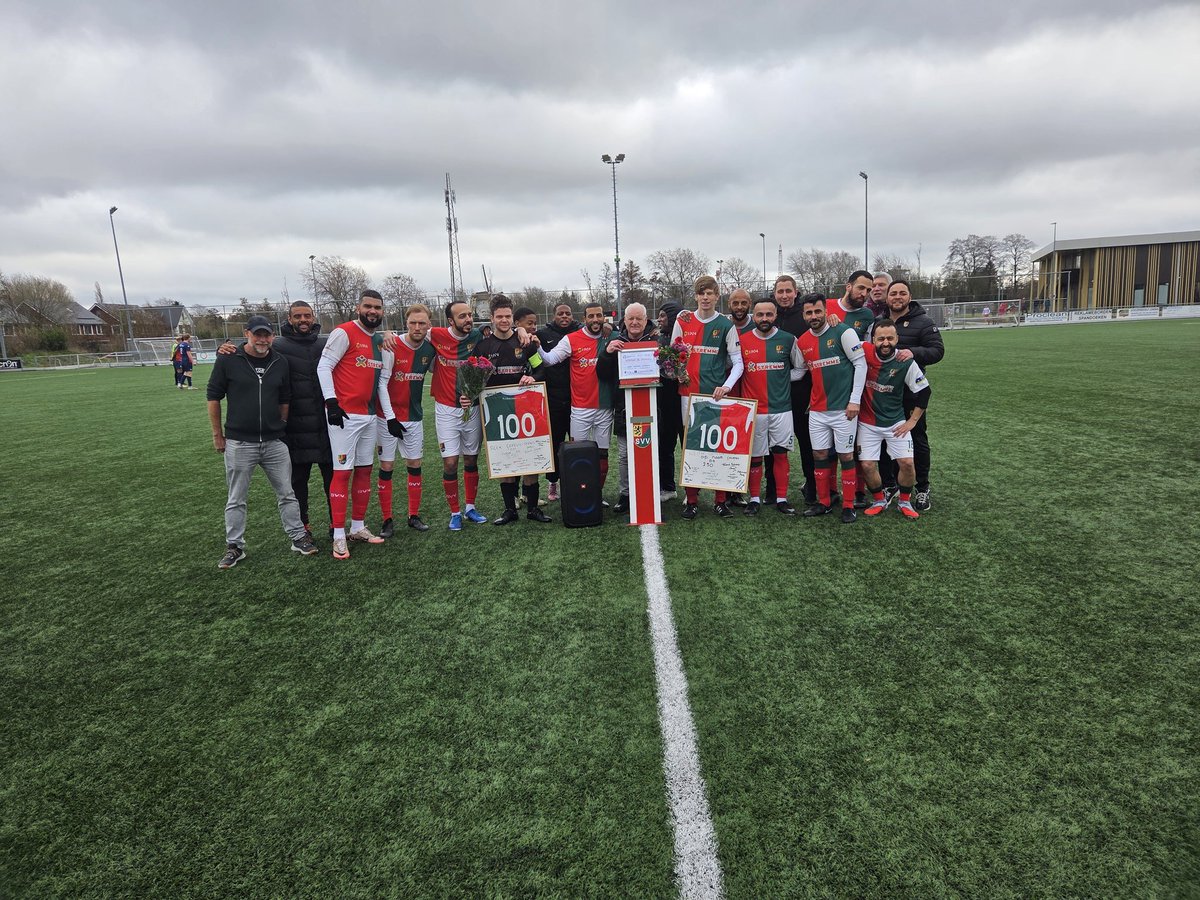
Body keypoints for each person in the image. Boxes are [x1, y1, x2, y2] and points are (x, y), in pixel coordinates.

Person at [206, 316, 317, 568]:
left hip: (273, 442)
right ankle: (235, 546)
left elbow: (285, 398)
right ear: (247, 334)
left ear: (273, 336)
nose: (262, 340)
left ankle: (298, 537)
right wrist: (217, 435)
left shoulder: (279, 361)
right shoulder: (228, 358)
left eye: (267, 335)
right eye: (258, 334)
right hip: (239, 442)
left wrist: (281, 425)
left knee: (287, 493)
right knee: (236, 498)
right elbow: (213, 397)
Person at [217, 301, 334, 538]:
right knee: (296, 484)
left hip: (327, 427)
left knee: (333, 480)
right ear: (289, 319)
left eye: (307, 316)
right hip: (294, 429)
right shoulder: (278, 345)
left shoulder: (326, 344)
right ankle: (304, 527)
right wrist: (229, 348)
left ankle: (337, 525)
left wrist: (384, 337)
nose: (303, 320)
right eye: (297, 316)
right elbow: (253, 350)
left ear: (313, 318)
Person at [317, 290, 405, 559]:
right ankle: (338, 535)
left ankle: (357, 527)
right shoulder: (344, 332)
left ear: (383, 311)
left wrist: (390, 416)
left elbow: (382, 384)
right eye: (368, 306)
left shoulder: (383, 343)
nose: (373, 311)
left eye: (377, 307)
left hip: (369, 417)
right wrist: (331, 402)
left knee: (365, 470)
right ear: (358, 308)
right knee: (342, 473)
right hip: (343, 416)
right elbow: (323, 367)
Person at [468, 295, 551, 525]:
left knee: (531, 457)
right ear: (491, 318)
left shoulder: (524, 342)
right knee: (504, 458)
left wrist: (532, 377)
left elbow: (541, 369)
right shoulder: (483, 346)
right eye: (499, 317)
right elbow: (473, 379)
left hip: (526, 408)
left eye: (507, 316)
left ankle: (533, 509)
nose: (503, 320)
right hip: (497, 410)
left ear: (512, 318)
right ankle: (509, 510)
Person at [671, 275, 744, 519]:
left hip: (714, 398)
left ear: (716, 296)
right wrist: (677, 372)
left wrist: (726, 386)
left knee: (717, 447)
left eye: (709, 293)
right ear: (695, 296)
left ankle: (720, 501)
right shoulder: (683, 320)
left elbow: (738, 363)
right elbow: (672, 355)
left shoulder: (725, 325)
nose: (705, 297)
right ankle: (691, 501)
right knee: (691, 448)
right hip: (687, 395)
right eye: (701, 293)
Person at [795, 295, 867, 523]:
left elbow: (860, 364)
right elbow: (799, 371)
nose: (814, 316)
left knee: (846, 455)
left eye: (818, 311)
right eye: (809, 312)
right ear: (803, 315)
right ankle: (824, 502)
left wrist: (854, 400)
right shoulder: (802, 341)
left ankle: (848, 505)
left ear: (826, 311)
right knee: (819, 455)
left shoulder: (843, 332)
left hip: (844, 409)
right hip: (817, 411)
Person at [535, 302, 616, 500]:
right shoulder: (571, 339)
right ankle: (578, 496)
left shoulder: (612, 336)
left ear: (604, 318)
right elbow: (549, 360)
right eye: (591, 316)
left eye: (599, 316)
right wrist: (537, 347)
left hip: (605, 407)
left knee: (602, 454)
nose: (595, 320)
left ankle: (596, 495)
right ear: (584, 319)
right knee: (578, 454)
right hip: (580, 408)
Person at [877, 279, 944, 510]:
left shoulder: (923, 322)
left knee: (917, 439)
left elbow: (937, 351)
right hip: (885, 394)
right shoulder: (879, 321)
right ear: (887, 297)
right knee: (886, 440)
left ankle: (922, 488)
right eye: (893, 293)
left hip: (911, 394)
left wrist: (912, 352)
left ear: (909, 296)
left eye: (902, 293)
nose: (897, 297)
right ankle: (891, 485)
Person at [738, 299, 806, 516]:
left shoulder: (788, 339)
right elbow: (734, 369)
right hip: (754, 410)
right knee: (755, 457)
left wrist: (782, 379)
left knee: (780, 454)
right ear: (754, 316)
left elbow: (801, 368)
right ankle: (754, 499)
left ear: (775, 315)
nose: (764, 318)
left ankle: (781, 499)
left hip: (781, 409)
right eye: (760, 315)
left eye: (769, 314)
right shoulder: (742, 340)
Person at [859, 320, 930, 520]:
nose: (886, 343)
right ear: (873, 339)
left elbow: (924, 391)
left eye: (890, 338)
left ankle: (904, 502)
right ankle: (879, 500)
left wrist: (912, 421)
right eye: (881, 338)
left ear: (897, 339)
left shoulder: (905, 361)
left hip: (896, 422)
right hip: (868, 423)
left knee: (907, 463)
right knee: (867, 466)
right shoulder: (863, 351)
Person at [376, 304, 437, 536]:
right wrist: (390, 418)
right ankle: (387, 519)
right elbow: (382, 384)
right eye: (413, 323)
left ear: (429, 325)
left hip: (414, 417)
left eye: (422, 323)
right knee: (387, 466)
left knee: (415, 464)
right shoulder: (392, 345)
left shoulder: (430, 349)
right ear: (406, 323)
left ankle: (413, 515)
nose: (417, 327)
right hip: (387, 418)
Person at [428, 299, 489, 531]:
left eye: (470, 315)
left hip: (471, 409)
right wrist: (388, 335)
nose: (468, 319)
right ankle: (455, 513)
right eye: (462, 316)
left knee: (471, 459)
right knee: (451, 462)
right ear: (450, 321)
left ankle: (470, 507)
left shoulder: (478, 336)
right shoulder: (436, 335)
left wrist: (521, 330)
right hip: (446, 409)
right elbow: (413, 334)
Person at [596, 301, 658, 513]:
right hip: (624, 408)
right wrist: (607, 353)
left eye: (638, 318)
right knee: (624, 455)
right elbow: (602, 374)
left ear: (646, 320)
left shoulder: (656, 342)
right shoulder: (616, 343)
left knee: (650, 451)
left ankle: (650, 491)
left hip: (651, 408)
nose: (634, 322)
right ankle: (625, 494)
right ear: (624, 320)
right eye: (630, 318)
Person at [766, 276, 817, 507]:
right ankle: (771, 489)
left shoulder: (805, 316)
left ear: (796, 292)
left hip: (801, 391)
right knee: (770, 443)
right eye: (780, 291)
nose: (784, 295)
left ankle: (812, 486)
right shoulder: (768, 315)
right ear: (774, 293)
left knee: (806, 440)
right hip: (772, 393)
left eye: (788, 291)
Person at [536, 302, 582, 503]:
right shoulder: (543, 334)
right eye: (560, 313)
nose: (564, 316)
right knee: (554, 442)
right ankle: (552, 481)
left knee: (576, 442)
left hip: (576, 398)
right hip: (552, 397)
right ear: (554, 316)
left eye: (568, 313)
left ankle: (575, 481)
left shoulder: (580, 331)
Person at [656, 301, 685, 501]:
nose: (659, 319)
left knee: (688, 445)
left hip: (685, 399)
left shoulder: (684, 340)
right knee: (665, 446)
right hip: (665, 403)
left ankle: (692, 491)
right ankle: (668, 487)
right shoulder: (658, 339)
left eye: (663, 316)